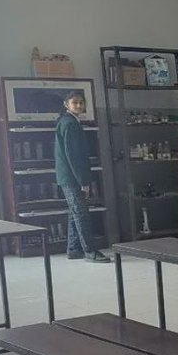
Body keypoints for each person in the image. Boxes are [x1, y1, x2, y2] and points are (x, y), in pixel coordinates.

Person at [54, 91, 110, 263]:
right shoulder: (70, 124)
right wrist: (83, 181)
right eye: (75, 102)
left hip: (68, 176)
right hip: (72, 177)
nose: (79, 105)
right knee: (81, 213)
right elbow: (74, 156)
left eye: (81, 102)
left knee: (75, 212)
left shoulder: (68, 122)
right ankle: (90, 251)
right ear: (66, 104)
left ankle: (74, 249)